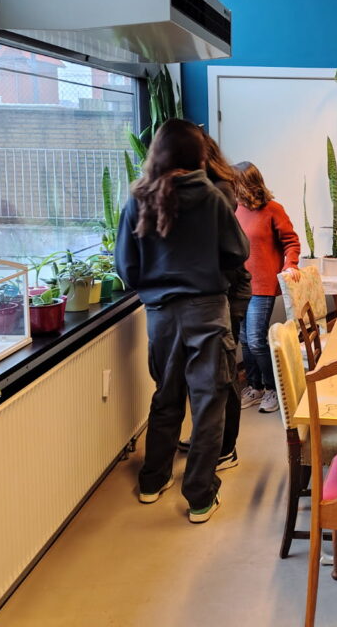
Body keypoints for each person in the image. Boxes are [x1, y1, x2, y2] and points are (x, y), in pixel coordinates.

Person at [116, 119, 249, 523]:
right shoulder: (210, 196)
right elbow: (238, 252)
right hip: (207, 311)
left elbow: (126, 267)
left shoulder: (137, 199)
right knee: (209, 403)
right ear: (197, 154)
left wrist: (158, 286)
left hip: (160, 316)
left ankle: (153, 480)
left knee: (166, 395)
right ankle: (200, 497)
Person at [175, 132, 251, 472]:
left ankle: (225, 447)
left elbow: (235, 254)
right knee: (205, 377)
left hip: (227, 295)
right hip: (213, 295)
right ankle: (208, 439)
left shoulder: (218, 192)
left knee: (224, 376)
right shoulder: (202, 191)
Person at [233, 162, 300, 414]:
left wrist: (290, 265)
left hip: (263, 285)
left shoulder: (273, 209)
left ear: (246, 183)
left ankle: (273, 389)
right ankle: (255, 387)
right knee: (244, 340)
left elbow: (291, 242)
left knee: (256, 340)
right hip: (238, 286)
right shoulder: (234, 209)